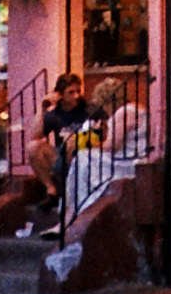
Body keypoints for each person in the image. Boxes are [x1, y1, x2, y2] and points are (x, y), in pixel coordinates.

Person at [63, 78, 151, 224]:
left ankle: (75, 208)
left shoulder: (124, 112)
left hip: (126, 161)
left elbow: (112, 146)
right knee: (85, 158)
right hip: (132, 157)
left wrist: (89, 144)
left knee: (82, 157)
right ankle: (76, 206)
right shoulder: (136, 108)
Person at [26, 74, 87, 207]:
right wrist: (42, 108)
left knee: (71, 142)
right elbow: (35, 135)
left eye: (78, 91)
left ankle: (68, 195)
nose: (76, 96)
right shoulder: (55, 114)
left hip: (84, 159)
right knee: (33, 147)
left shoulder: (87, 108)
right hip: (62, 159)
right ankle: (51, 191)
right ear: (60, 94)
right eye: (71, 92)